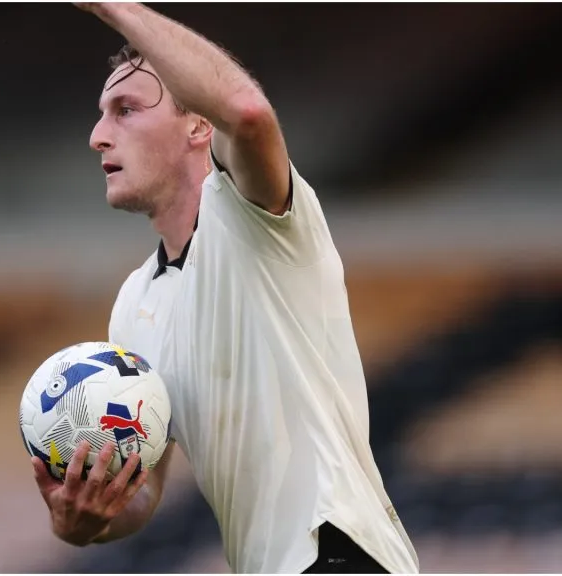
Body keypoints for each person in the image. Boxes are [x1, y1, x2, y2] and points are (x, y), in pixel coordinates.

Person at [31, 3, 420, 573]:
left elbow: (247, 109)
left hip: (338, 551)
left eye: (126, 109)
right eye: (100, 114)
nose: (97, 135)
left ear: (198, 125)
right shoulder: (134, 304)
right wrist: (88, 520)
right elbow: (144, 488)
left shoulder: (251, 213)